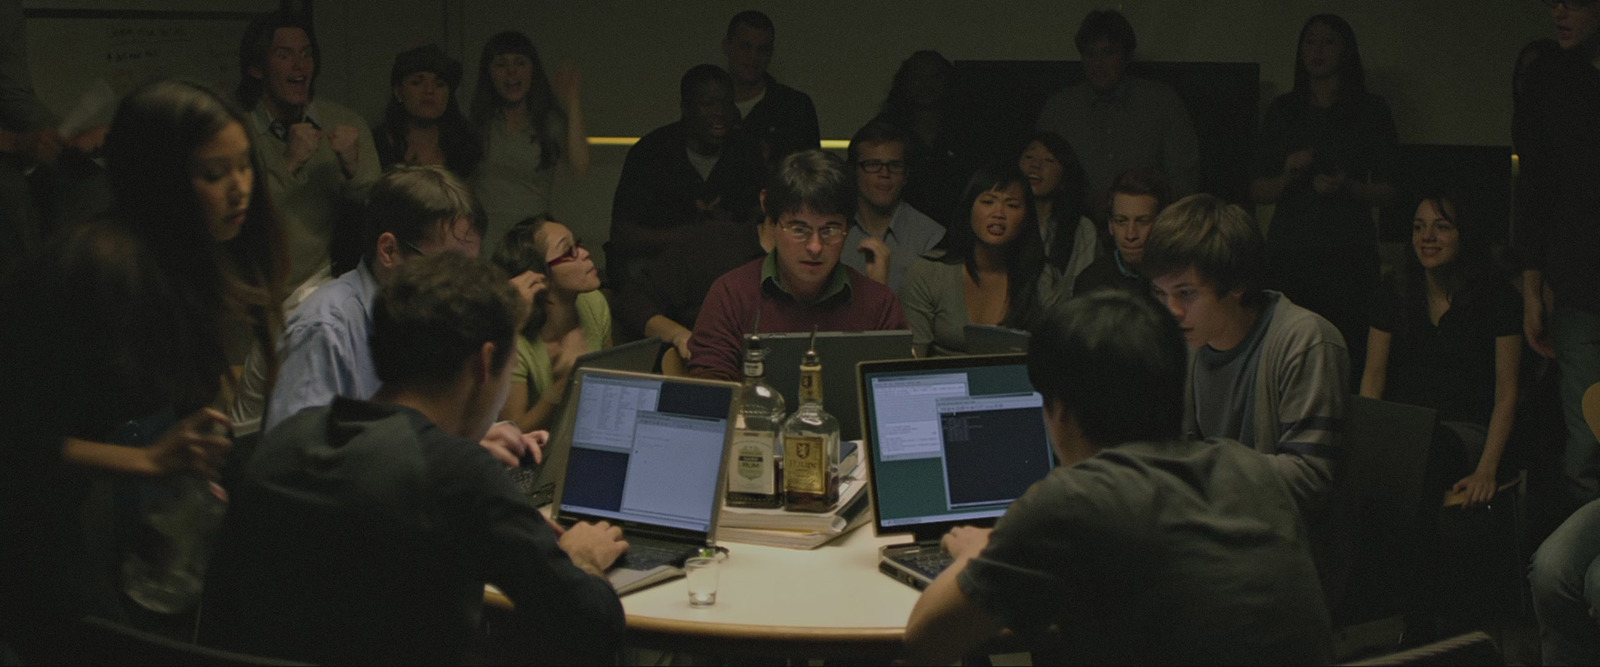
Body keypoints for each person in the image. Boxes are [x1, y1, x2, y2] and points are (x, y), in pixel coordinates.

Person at [202, 253, 627, 665]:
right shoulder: (453, 472)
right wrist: (582, 558)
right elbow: (590, 624)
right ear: (484, 363)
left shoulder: (284, 443)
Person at [0, 79, 286, 660]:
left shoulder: (186, 257)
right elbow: (15, 438)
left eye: (245, 167)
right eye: (214, 174)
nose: (240, 190)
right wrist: (144, 459)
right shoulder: (96, 267)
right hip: (36, 522)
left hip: (102, 523)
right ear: (161, 179)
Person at [902, 289, 1334, 665]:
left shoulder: (1072, 500)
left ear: (1061, 413)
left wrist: (979, 553)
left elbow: (925, 641)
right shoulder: (1252, 470)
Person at [264, 165, 543, 465]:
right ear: (389, 250)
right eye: (448, 264)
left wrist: (477, 437)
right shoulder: (326, 326)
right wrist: (445, 453)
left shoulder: (430, 318)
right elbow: (296, 465)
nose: (462, 283)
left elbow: (418, 426)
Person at [1250, 14, 1397, 374]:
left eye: (1328, 41)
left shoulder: (1370, 110)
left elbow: (1392, 190)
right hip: (1291, 251)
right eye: (1310, 41)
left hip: (1349, 252)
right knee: (1287, 353)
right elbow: (1257, 189)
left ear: (1346, 50)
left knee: (1348, 354)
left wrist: (1347, 185)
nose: (1317, 50)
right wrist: (1289, 173)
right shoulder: (1284, 110)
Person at [688, 149, 905, 381]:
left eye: (830, 230)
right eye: (799, 229)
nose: (815, 247)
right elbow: (711, 392)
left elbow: (897, 398)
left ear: (848, 228)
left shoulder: (879, 304)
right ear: (772, 224)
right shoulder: (731, 294)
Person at [1360, 192, 1520, 506]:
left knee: (1423, 454)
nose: (1427, 237)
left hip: (1465, 431)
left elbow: (1507, 394)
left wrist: (1486, 470)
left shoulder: (1496, 298)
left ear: (1464, 235)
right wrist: (1369, 441)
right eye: (1419, 227)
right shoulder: (1394, 291)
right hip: (1404, 426)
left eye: (1441, 227)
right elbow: (1372, 379)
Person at [1515, 0, 1600, 508]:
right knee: (1585, 447)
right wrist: (1532, 288)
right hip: (1581, 284)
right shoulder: (1553, 81)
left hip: (1577, 279)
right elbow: (1537, 190)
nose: (1558, 13)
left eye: (1574, 3)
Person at [236, 11, 381, 288]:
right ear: (257, 68)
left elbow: (377, 209)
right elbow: (242, 221)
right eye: (285, 55)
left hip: (322, 286)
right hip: (253, 286)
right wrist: (287, 165)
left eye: (306, 54)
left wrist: (353, 170)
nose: (299, 67)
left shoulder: (345, 122)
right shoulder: (236, 130)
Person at [608, 64, 763, 291]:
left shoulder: (745, 153)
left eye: (726, 102)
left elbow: (767, 225)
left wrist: (727, 232)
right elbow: (622, 235)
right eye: (708, 103)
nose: (719, 111)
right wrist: (686, 235)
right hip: (659, 281)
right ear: (686, 108)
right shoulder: (652, 152)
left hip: (729, 281)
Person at [1035, 9, 1198, 205]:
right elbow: (1037, 177)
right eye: (1090, 53)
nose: (1098, 63)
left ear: (1127, 56)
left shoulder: (1162, 103)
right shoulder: (1059, 109)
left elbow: (1185, 181)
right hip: (1073, 226)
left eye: (1108, 52)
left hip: (1151, 226)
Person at [901, 164, 1056, 357]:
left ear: (1026, 219)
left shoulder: (1043, 277)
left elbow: (1055, 355)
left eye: (1012, 205)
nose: (999, 213)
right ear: (969, 209)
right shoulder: (930, 272)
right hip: (945, 383)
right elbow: (913, 357)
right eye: (988, 202)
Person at [470, 31, 590, 254]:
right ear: (489, 73)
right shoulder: (479, 123)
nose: (511, 71)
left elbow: (580, 166)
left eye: (520, 63)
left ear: (532, 70)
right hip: (483, 239)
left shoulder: (549, 123)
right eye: (501, 64)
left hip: (531, 240)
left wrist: (572, 98)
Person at [490, 217, 610, 432]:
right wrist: (568, 380)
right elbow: (515, 430)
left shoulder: (594, 303)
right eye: (569, 251)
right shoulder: (516, 336)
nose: (584, 253)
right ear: (541, 276)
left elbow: (613, 378)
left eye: (578, 244)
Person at [839, 119, 944, 293]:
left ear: (906, 175)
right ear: (853, 171)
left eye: (894, 165)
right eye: (873, 164)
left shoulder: (932, 237)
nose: (885, 173)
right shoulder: (829, 230)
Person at [721, 10, 820, 164]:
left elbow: (809, 176)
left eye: (762, 49)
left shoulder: (794, 108)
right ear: (727, 47)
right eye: (745, 47)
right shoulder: (707, 104)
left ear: (770, 53)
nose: (753, 57)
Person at [878, 50, 964, 221]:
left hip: (958, 226)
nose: (926, 85)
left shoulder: (966, 131)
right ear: (905, 82)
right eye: (918, 77)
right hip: (899, 227)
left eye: (934, 77)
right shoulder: (884, 131)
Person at [372, 44, 482, 178]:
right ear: (398, 92)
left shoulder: (465, 146)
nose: (429, 90)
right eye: (417, 82)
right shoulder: (376, 146)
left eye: (440, 84)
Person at [1073, 167, 1175, 295]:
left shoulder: (1179, 275)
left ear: (1163, 223)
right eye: (1121, 221)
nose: (1130, 234)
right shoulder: (1091, 282)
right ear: (1111, 225)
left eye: (1142, 221)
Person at [1017, 131, 1098, 287]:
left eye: (1048, 160)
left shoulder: (1081, 229)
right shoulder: (1003, 218)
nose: (1035, 165)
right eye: (1029, 157)